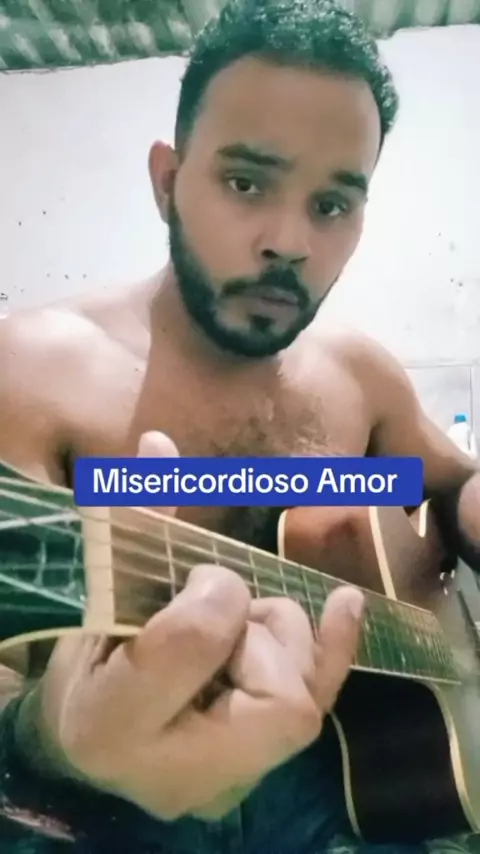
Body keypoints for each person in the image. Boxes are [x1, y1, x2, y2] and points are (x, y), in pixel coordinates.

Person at [0, 0, 479, 851]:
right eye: (246, 182)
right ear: (166, 182)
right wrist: (48, 740)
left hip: (371, 783)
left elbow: (451, 484)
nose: (289, 241)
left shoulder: (362, 374)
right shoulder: (30, 373)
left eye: (331, 203)